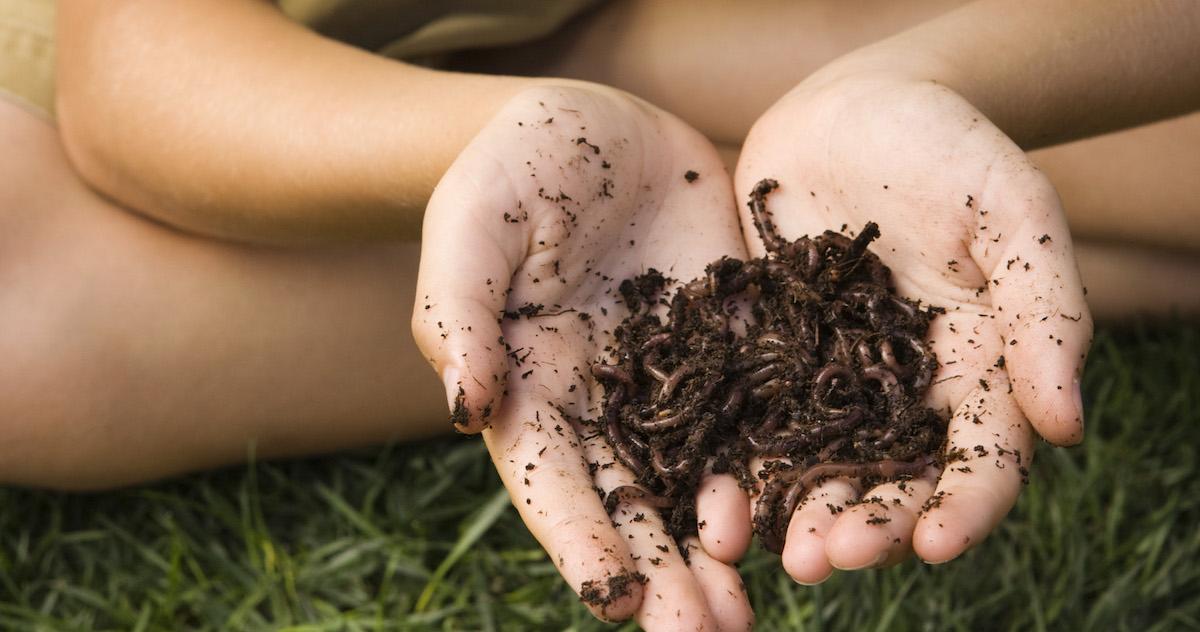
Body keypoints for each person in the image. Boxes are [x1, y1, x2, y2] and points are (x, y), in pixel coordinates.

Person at [0, 0, 1195, 629]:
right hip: (333, 53)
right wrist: (491, 139)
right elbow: (135, 65)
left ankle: (892, 151)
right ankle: (1062, 245)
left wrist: (938, 73)